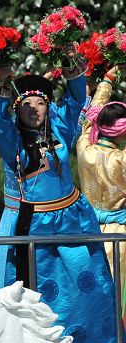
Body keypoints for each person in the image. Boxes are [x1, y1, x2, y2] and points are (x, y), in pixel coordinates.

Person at [0, 53, 120, 343]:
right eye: (27, 105)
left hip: (73, 220)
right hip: (36, 227)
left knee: (90, 290)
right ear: (17, 111)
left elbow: (75, 103)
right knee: (42, 299)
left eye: (41, 103)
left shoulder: (61, 130)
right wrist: (2, 82)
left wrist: (71, 69)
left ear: (49, 107)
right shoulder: (13, 144)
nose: (35, 110)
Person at [77, 65, 126, 306]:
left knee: (93, 293)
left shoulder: (84, 148)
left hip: (86, 231)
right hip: (120, 233)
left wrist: (107, 79)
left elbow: (89, 118)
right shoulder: (122, 158)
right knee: (119, 293)